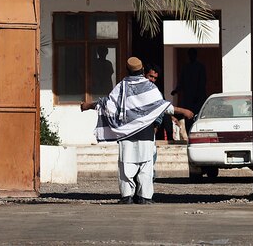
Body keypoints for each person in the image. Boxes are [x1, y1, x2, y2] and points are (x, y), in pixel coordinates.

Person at [82, 56, 194, 204]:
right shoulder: (150, 87)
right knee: (146, 165)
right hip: (146, 133)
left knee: (125, 165)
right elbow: (162, 106)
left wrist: (88, 105)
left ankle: (127, 197)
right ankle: (144, 197)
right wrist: (184, 111)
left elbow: (107, 104)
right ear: (142, 70)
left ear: (127, 70)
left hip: (126, 133)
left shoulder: (121, 87)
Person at [170, 48, 207, 140]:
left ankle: (197, 134)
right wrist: (176, 90)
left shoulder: (200, 67)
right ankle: (189, 135)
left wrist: (198, 95)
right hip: (188, 98)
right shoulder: (185, 67)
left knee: (198, 116)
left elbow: (202, 83)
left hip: (198, 98)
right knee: (188, 117)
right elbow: (181, 82)